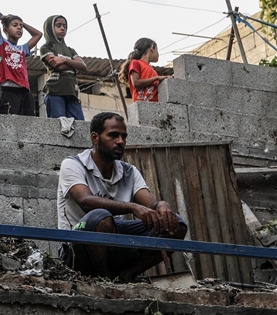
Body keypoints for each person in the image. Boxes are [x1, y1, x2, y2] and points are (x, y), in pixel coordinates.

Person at [56, 112, 187, 282]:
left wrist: (162, 205)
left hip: (113, 243)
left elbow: (150, 203)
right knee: (101, 217)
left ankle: (126, 276)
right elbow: (85, 201)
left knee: (176, 224)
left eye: (124, 136)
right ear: (95, 138)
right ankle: (105, 282)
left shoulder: (129, 171)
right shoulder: (73, 164)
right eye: (113, 135)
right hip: (76, 249)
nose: (121, 141)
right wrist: (132, 207)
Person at [0, 14, 43, 115]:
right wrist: (2, 18)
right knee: (9, 123)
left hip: (25, 90)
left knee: (29, 123)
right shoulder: (1, 43)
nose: (19, 27)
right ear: (5, 30)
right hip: (8, 89)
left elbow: (38, 34)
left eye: (21, 26)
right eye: (15, 25)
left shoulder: (22, 49)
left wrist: (23, 24)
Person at [39, 15, 87, 120]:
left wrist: (64, 60)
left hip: (72, 91)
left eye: (64, 26)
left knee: (79, 125)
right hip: (55, 91)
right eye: (58, 25)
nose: (62, 28)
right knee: (59, 125)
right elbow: (58, 66)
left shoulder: (70, 50)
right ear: (50, 28)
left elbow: (83, 66)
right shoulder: (46, 47)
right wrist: (74, 65)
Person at [120, 38, 172, 102]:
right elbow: (136, 83)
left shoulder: (152, 70)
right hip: (142, 105)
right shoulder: (135, 63)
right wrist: (157, 78)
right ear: (152, 48)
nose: (158, 54)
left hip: (155, 106)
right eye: (157, 50)